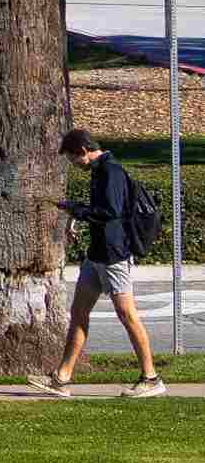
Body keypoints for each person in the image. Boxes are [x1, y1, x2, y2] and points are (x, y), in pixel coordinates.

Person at [46, 124, 168, 395]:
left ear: (83, 150)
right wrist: (77, 214)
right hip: (96, 255)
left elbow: (110, 211)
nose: (73, 164)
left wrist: (77, 210)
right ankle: (61, 378)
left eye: (72, 158)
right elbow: (100, 209)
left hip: (114, 255)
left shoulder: (111, 171)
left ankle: (151, 378)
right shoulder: (99, 171)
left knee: (127, 315)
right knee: (79, 313)